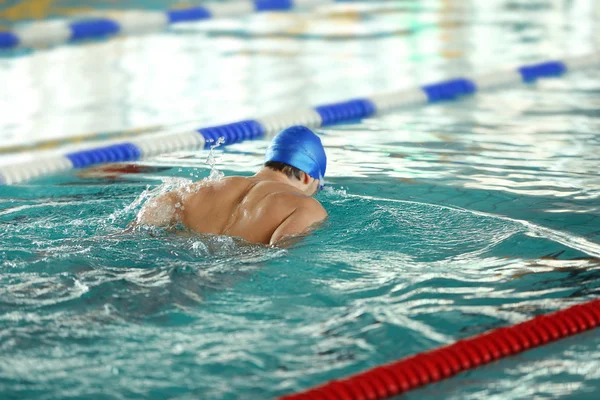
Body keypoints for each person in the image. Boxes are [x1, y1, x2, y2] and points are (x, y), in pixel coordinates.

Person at [133, 125, 328, 246]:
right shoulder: (306, 207)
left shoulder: (204, 188)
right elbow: (281, 254)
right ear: (306, 177)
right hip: (222, 275)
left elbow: (152, 211)